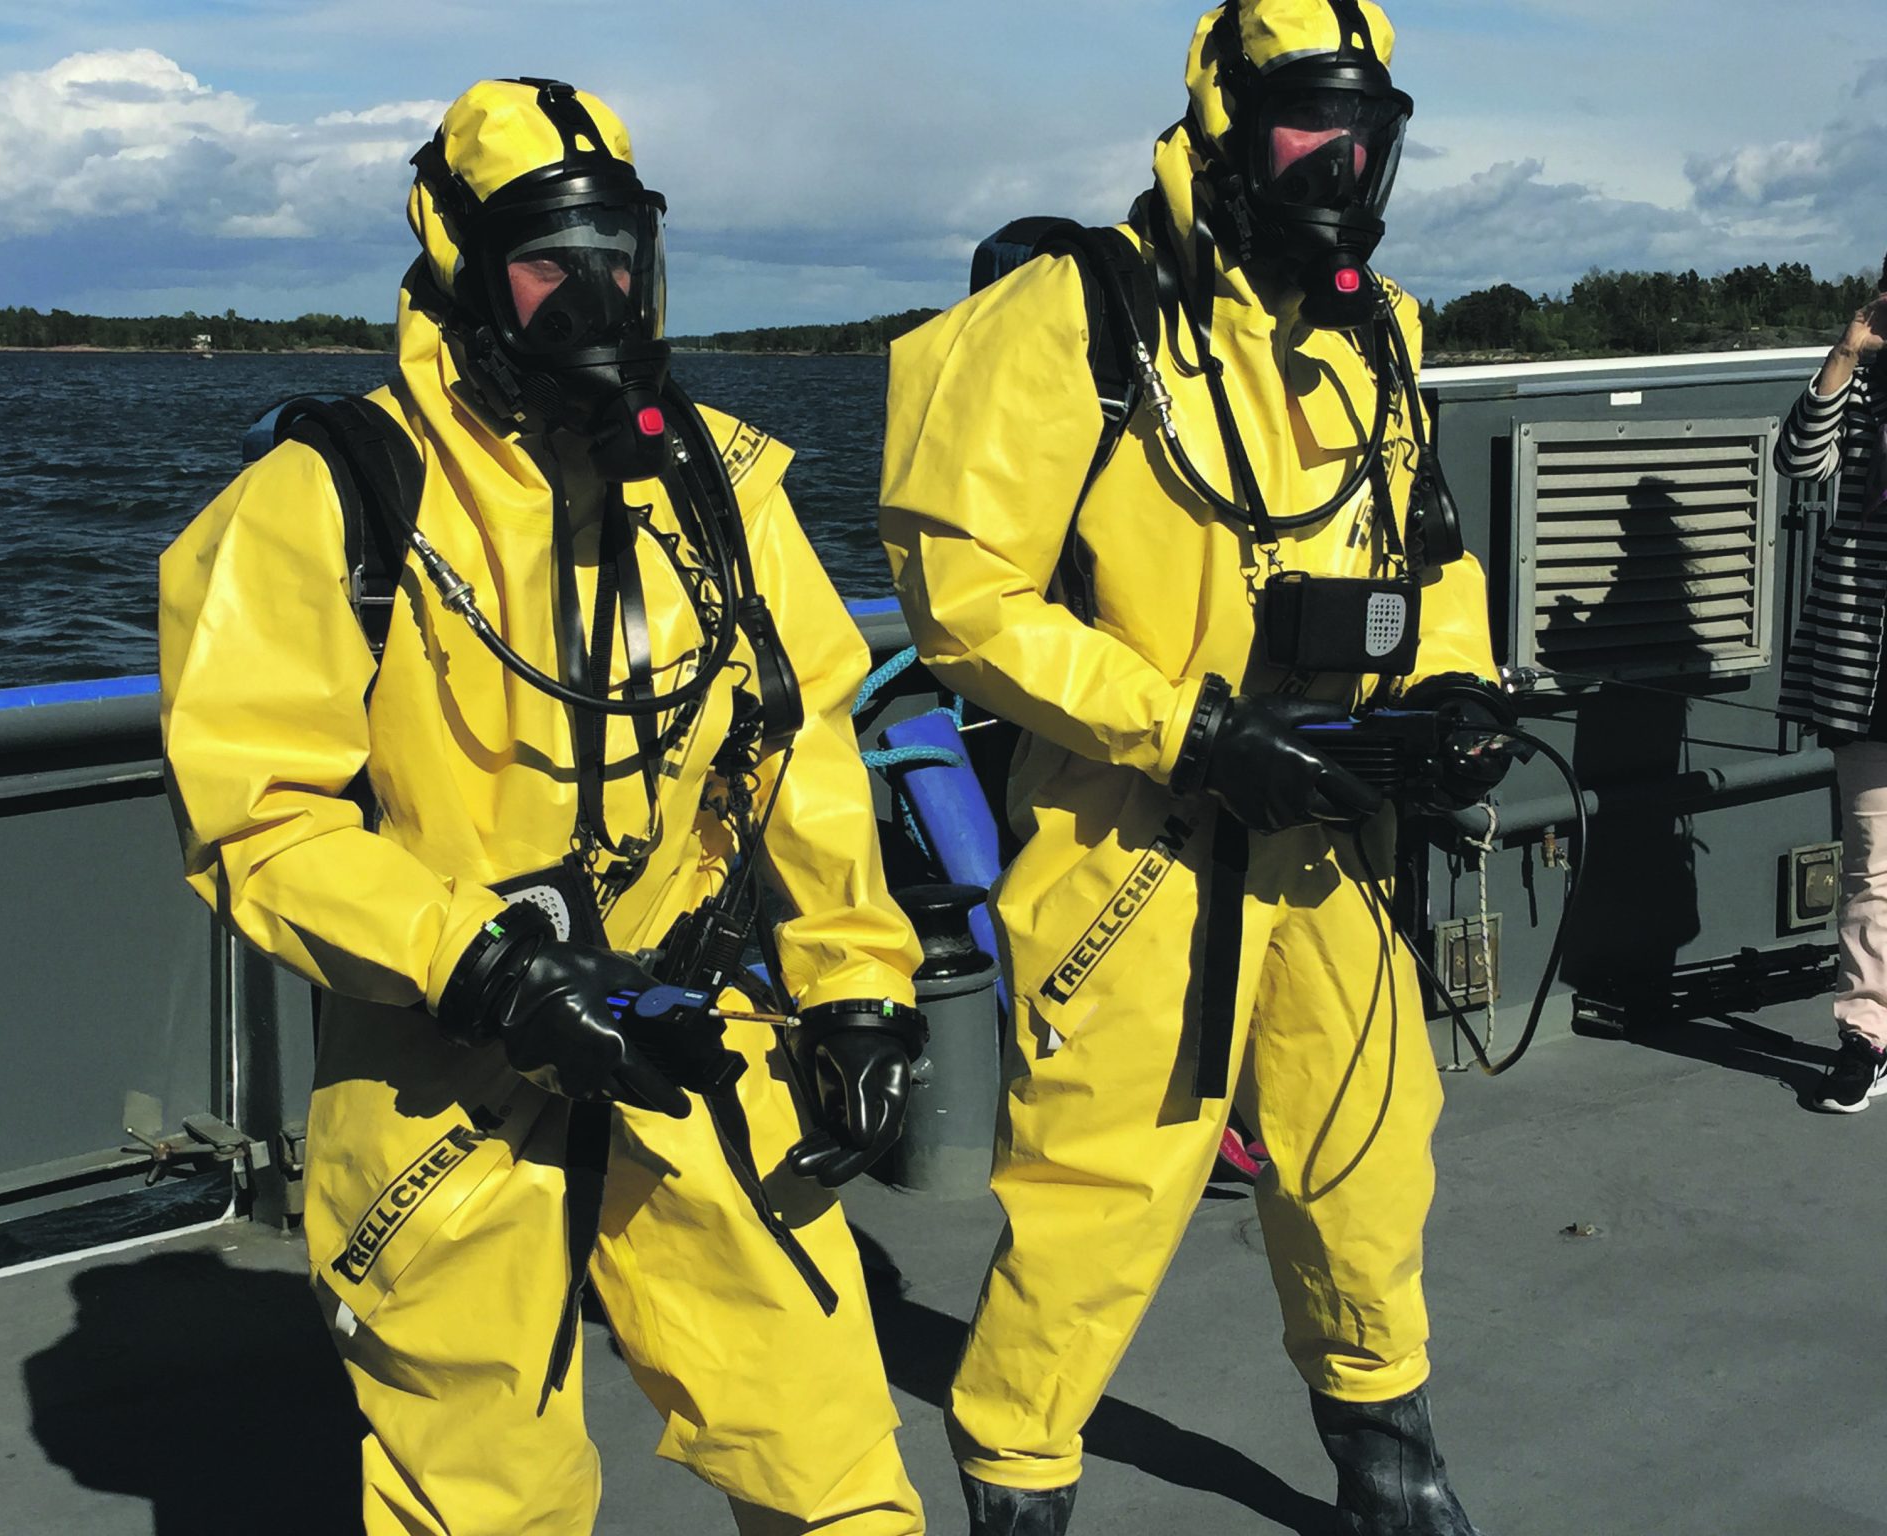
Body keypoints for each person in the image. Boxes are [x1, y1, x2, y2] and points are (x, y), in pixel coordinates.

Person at [160, 77, 930, 1535]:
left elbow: (797, 747)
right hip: (445, 1063)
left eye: (615, 260)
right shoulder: (331, 498)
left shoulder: (718, 488)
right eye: (545, 269)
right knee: (483, 1501)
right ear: (464, 272)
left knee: (831, 1454)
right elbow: (260, 819)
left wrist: (856, 983)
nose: (594, 300)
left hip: (692, 1032)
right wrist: (487, 967)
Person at [879, 3, 1510, 1533]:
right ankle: (1018, 1483)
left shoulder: (1379, 331)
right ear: (1227, 123)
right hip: (1138, 844)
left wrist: (1455, 686)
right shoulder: (1073, 315)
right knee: (1094, 1208)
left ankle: (1393, 1477)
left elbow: (1425, 551)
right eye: (1307, 127)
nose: (1339, 165)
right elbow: (964, 597)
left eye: (1363, 133)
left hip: (1333, 840)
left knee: (1367, 1167)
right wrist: (1192, 729)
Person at [1778, 267, 1887, 1114]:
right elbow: (1798, 461)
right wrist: (1846, 356)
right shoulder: (1863, 394)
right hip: (1867, 661)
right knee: (1872, 860)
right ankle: (1867, 1037)